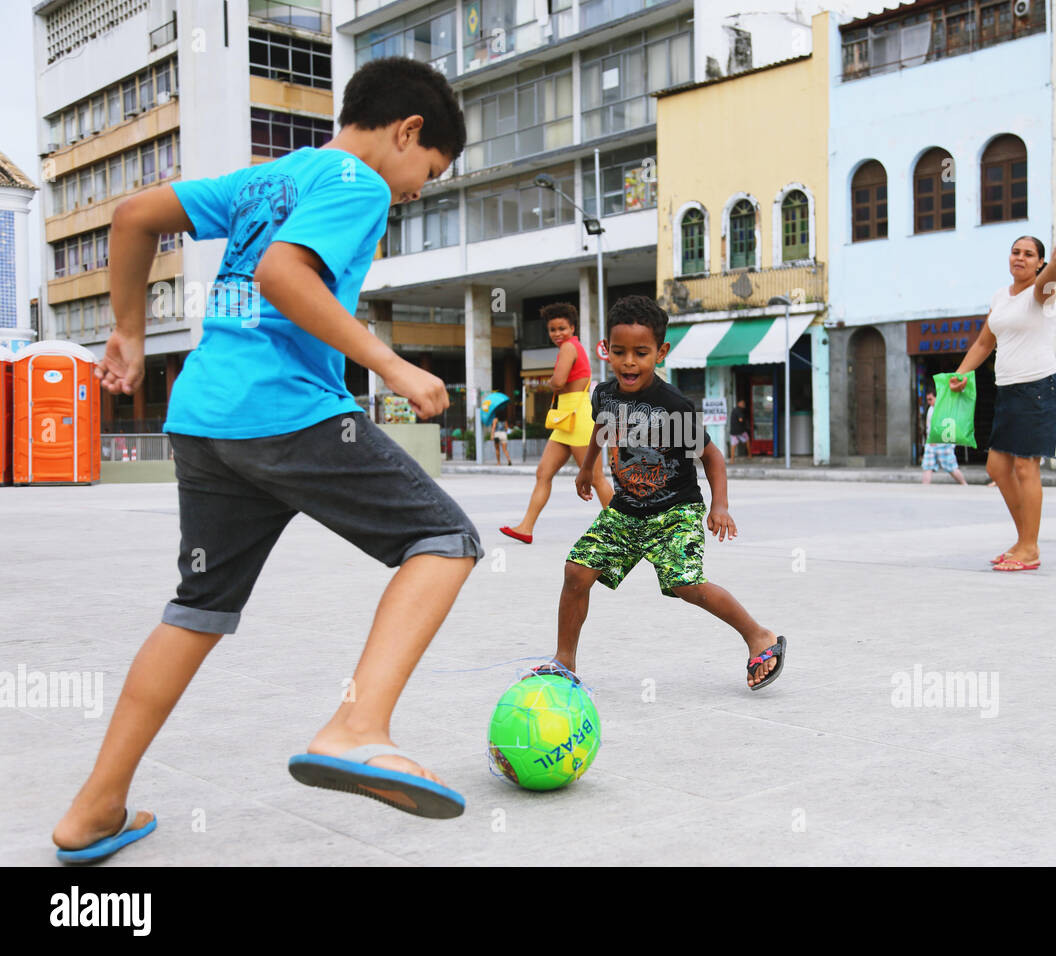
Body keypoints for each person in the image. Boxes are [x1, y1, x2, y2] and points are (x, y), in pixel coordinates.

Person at [53, 58, 483, 864]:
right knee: (444, 541)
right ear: (408, 132)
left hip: (206, 422)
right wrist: (391, 367)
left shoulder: (267, 179)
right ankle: (358, 726)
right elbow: (287, 275)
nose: (419, 190)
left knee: (198, 608)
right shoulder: (359, 184)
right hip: (284, 412)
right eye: (429, 173)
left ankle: (94, 809)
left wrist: (130, 329)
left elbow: (134, 213)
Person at [536, 295, 787, 691]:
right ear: (607, 350)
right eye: (619, 352)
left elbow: (712, 457)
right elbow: (602, 430)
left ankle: (759, 636)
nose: (629, 363)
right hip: (628, 508)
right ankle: (564, 660)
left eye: (641, 353)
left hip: (676, 510)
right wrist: (587, 469)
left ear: (661, 352)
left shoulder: (673, 405)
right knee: (576, 572)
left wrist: (719, 505)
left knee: (687, 584)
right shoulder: (604, 393)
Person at [950, 233, 1056, 571]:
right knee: (997, 468)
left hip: (1038, 389)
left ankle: (1029, 548)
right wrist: (961, 373)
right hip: (1008, 391)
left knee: (1027, 467)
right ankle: (1023, 540)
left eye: (1029, 254)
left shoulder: (1042, 292)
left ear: (1039, 262)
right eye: (1016, 252)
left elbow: (1046, 284)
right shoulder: (1000, 297)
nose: (1021, 258)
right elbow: (985, 343)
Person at [500, 303, 612, 543]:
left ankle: (625, 532)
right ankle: (525, 528)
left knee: (596, 478)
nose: (557, 333)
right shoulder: (573, 347)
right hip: (566, 420)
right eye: (552, 329)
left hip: (579, 417)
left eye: (562, 327)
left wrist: (550, 381)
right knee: (543, 473)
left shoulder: (570, 347)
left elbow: (558, 381)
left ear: (572, 327)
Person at [920, 390, 968, 485]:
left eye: (930, 399)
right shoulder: (931, 409)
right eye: (928, 400)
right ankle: (924, 487)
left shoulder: (943, 408)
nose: (929, 402)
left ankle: (964, 484)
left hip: (942, 442)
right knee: (927, 466)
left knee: (951, 468)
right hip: (932, 442)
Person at [728, 397, 750, 463]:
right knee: (747, 441)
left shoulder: (734, 410)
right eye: (742, 403)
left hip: (733, 431)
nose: (744, 405)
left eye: (744, 403)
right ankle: (750, 455)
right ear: (739, 403)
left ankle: (732, 459)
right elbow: (741, 420)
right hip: (740, 430)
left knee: (733, 445)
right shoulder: (739, 410)